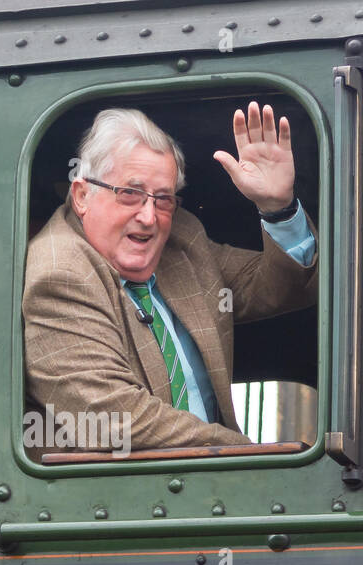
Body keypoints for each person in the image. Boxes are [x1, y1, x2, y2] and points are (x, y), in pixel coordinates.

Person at [24, 103, 319, 453]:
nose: (149, 217)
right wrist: (249, 454)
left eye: (163, 198)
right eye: (130, 194)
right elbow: (117, 420)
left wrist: (278, 208)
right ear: (83, 195)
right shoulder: (59, 273)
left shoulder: (182, 238)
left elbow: (281, 288)